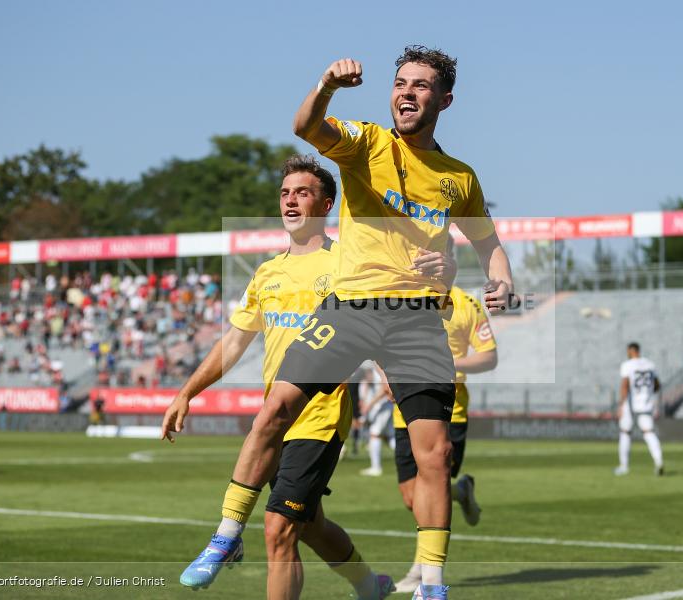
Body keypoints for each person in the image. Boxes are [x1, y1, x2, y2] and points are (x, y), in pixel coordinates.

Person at [172, 46, 512, 600]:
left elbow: (489, 246)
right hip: (351, 307)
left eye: (421, 85)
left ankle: (430, 583)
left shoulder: (459, 178)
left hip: (415, 320)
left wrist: (501, 282)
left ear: (444, 100)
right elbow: (305, 125)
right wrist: (327, 83)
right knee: (274, 410)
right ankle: (227, 534)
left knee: (436, 455)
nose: (406, 92)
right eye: (400, 82)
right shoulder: (367, 143)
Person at [164, 156, 415, 599]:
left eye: (302, 192)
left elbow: (379, 323)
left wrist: (392, 370)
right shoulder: (267, 272)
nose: (291, 201)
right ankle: (369, 584)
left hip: (320, 412)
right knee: (311, 525)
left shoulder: (350, 263)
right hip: (275, 417)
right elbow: (235, 342)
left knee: (279, 529)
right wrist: (187, 391)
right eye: (284, 193)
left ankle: (226, 539)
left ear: (327, 204)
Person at [392, 276, 498, 593]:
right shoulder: (401, 296)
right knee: (412, 497)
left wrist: (448, 362)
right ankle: (461, 491)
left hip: (448, 409)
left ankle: (422, 573)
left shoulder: (466, 304)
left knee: (428, 488)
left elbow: (489, 355)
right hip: (403, 409)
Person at [614, 342, 664, 476]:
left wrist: (621, 405)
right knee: (649, 433)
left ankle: (624, 466)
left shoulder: (627, 365)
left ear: (631, 351)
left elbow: (625, 385)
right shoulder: (650, 364)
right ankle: (659, 462)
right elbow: (657, 385)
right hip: (646, 403)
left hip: (630, 403)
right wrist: (646, 393)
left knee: (625, 432)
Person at [359, 362, 396, 477]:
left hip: (384, 407)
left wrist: (369, 405)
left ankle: (376, 468)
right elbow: (365, 388)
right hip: (381, 409)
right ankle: (411, 459)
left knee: (374, 434)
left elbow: (383, 391)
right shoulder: (366, 379)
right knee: (389, 437)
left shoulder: (377, 374)